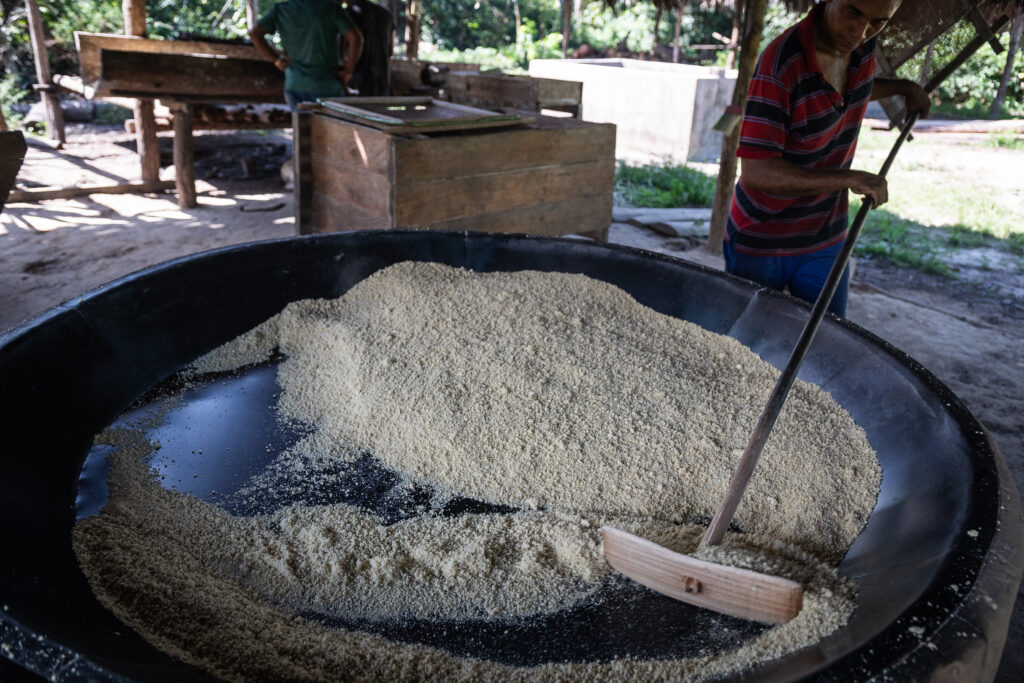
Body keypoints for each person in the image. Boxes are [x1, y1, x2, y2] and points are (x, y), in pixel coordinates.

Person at [724, 0, 930, 317]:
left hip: (825, 235)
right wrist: (848, 178)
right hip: (762, 239)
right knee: (747, 348)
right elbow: (756, 172)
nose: (860, 32)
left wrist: (903, 88)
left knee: (827, 342)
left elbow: (854, 87)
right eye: (853, 12)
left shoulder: (862, 49)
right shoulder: (781, 65)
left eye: (878, 22)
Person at [249, 0, 365, 110]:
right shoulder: (331, 8)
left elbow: (254, 34)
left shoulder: (281, 10)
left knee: (302, 128)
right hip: (327, 85)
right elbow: (356, 38)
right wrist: (349, 70)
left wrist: (277, 60)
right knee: (332, 129)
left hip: (295, 84)